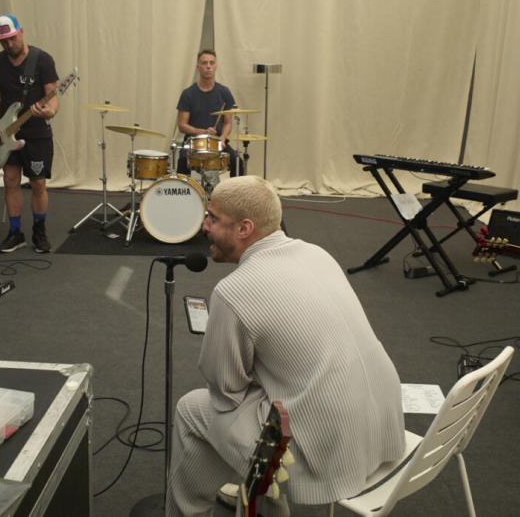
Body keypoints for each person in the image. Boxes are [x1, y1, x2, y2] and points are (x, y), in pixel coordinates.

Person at [166, 176, 406, 516]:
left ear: (244, 228)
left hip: (330, 453)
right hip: (383, 428)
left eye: (213, 218)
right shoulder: (315, 252)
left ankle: (189, 511)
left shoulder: (233, 291)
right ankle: (261, 500)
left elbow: (226, 392)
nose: (204, 226)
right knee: (268, 392)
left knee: (193, 409)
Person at [0, 14, 60, 253]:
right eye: (3, 41)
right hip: (6, 133)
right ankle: (15, 233)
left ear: (21, 32)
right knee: (10, 181)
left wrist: (47, 111)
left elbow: (53, 98)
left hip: (36, 133)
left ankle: (39, 230)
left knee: (38, 183)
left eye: (12, 39)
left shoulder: (42, 60)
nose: (9, 45)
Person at [176, 49, 240, 177]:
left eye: (212, 63)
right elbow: (182, 125)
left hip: (218, 142)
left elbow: (228, 123)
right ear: (198, 68)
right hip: (193, 142)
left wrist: (222, 139)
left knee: (236, 160)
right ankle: (185, 196)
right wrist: (203, 132)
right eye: (204, 63)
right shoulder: (188, 94)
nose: (208, 66)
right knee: (183, 160)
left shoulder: (224, 92)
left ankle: (236, 194)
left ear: (216, 67)